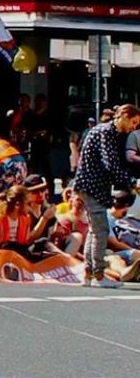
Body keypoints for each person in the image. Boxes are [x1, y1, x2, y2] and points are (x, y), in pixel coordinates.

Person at [73, 104, 140, 287]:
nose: (134, 127)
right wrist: (133, 183)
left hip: (91, 185)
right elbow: (110, 165)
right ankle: (99, 275)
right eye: (133, 122)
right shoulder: (106, 132)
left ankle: (89, 273)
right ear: (124, 116)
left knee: (95, 230)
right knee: (100, 229)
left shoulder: (110, 133)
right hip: (92, 185)